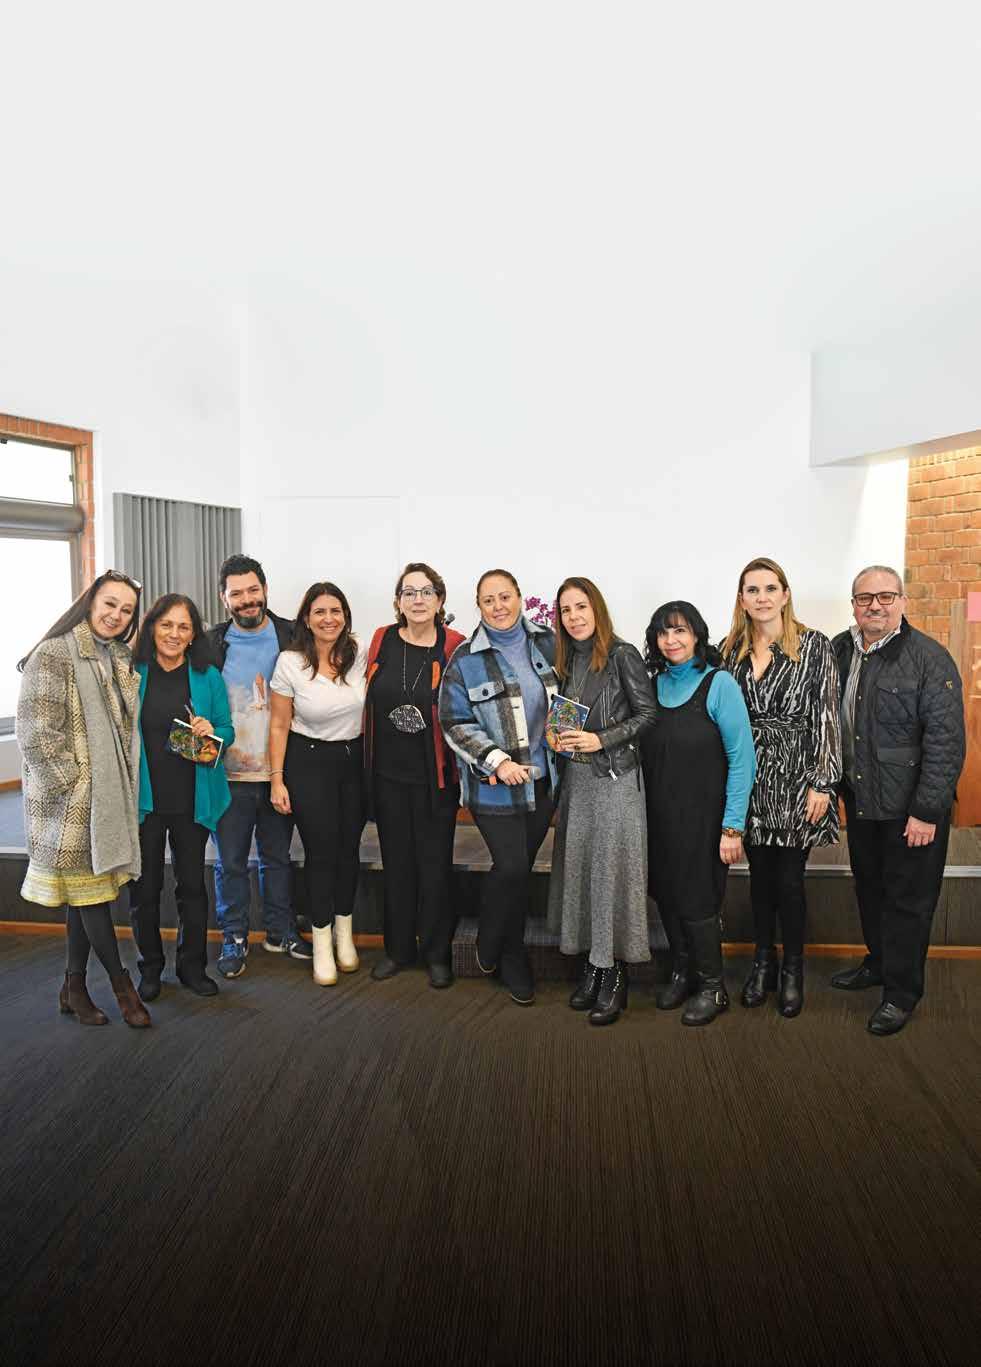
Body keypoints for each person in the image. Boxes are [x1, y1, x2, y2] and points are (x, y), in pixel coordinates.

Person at [831, 566, 965, 1035]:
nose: (876, 605)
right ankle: (879, 963)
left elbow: (946, 742)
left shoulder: (929, 658)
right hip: (863, 801)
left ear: (902, 601)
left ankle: (901, 993)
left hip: (912, 811)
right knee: (870, 889)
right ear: (853, 605)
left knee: (909, 902)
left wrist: (927, 811)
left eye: (886, 596)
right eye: (865, 598)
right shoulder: (840, 650)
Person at [16, 570, 151, 1027]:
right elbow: (36, 734)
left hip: (107, 799)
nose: (116, 615)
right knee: (92, 897)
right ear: (90, 602)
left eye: (126, 610)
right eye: (110, 603)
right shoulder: (54, 653)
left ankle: (73, 987)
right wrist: (75, 785)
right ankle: (123, 987)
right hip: (73, 805)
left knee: (85, 895)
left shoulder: (116, 655)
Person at [721, 557, 842, 1017]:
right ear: (742, 599)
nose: (762, 598)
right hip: (748, 778)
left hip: (798, 778)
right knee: (759, 881)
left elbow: (828, 715)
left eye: (770, 588)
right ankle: (762, 962)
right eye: (752, 590)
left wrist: (823, 782)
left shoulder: (813, 646)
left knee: (789, 881)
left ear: (785, 594)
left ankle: (792, 968)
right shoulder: (729, 650)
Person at [438, 568, 560, 1005]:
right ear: (479, 606)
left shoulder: (549, 643)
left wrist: (567, 736)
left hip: (543, 783)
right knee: (509, 867)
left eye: (504, 597)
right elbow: (453, 721)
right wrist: (498, 760)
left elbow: (570, 698)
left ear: (519, 597)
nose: (498, 607)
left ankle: (504, 948)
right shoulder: (465, 659)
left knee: (519, 872)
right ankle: (501, 948)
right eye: (488, 600)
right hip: (493, 787)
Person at [546, 578, 657, 1025]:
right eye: (566, 610)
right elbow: (566, 717)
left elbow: (648, 714)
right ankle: (594, 965)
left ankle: (615, 977)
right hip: (578, 781)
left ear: (597, 609)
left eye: (581, 606)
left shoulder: (622, 655)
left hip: (615, 780)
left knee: (612, 877)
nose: (574, 616)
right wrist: (557, 735)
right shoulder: (567, 659)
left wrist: (601, 739)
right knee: (585, 873)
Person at [642, 601, 756, 1026]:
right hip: (659, 819)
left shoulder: (718, 684)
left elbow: (743, 759)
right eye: (663, 632)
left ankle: (713, 986)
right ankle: (682, 971)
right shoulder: (652, 686)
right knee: (667, 894)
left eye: (680, 631)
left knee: (698, 900)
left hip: (705, 821)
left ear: (697, 636)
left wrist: (733, 827)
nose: (671, 640)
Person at [207, 555, 312, 977]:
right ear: (224, 598)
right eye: (237, 593)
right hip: (227, 777)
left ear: (265, 590)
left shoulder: (293, 635)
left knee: (277, 857)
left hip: (279, 774)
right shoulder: (210, 644)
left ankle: (280, 930)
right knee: (230, 862)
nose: (247, 599)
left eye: (253, 590)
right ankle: (233, 935)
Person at [363, 563, 465, 988]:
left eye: (426, 592)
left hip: (434, 778)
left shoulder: (455, 645)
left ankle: (437, 954)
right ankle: (398, 950)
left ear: (440, 600)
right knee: (397, 865)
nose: (417, 600)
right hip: (387, 775)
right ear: (398, 601)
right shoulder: (382, 639)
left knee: (435, 867)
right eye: (409, 592)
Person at [129, 594, 234, 1001]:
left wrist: (212, 731)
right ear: (152, 627)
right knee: (145, 889)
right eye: (167, 624)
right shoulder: (133, 672)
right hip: (146, 801)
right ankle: (150, 968)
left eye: (184, 627)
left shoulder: (207, 676)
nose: (174, 633)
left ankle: (192, 967)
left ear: (194, 635)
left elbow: (228, 730)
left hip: (193, 798)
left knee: (192, 887)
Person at [269, 582, 367, 985]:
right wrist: (277, 779)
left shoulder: (359, 654)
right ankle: (322, 942)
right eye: (320, 612)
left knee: (349, 851)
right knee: (322, 852)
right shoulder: (290, 662)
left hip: (354, 762)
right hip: (308, 762)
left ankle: (345, 935)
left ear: (345, 616)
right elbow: (279, 724)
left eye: (336, 611)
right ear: (306, 619)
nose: (329, 619)